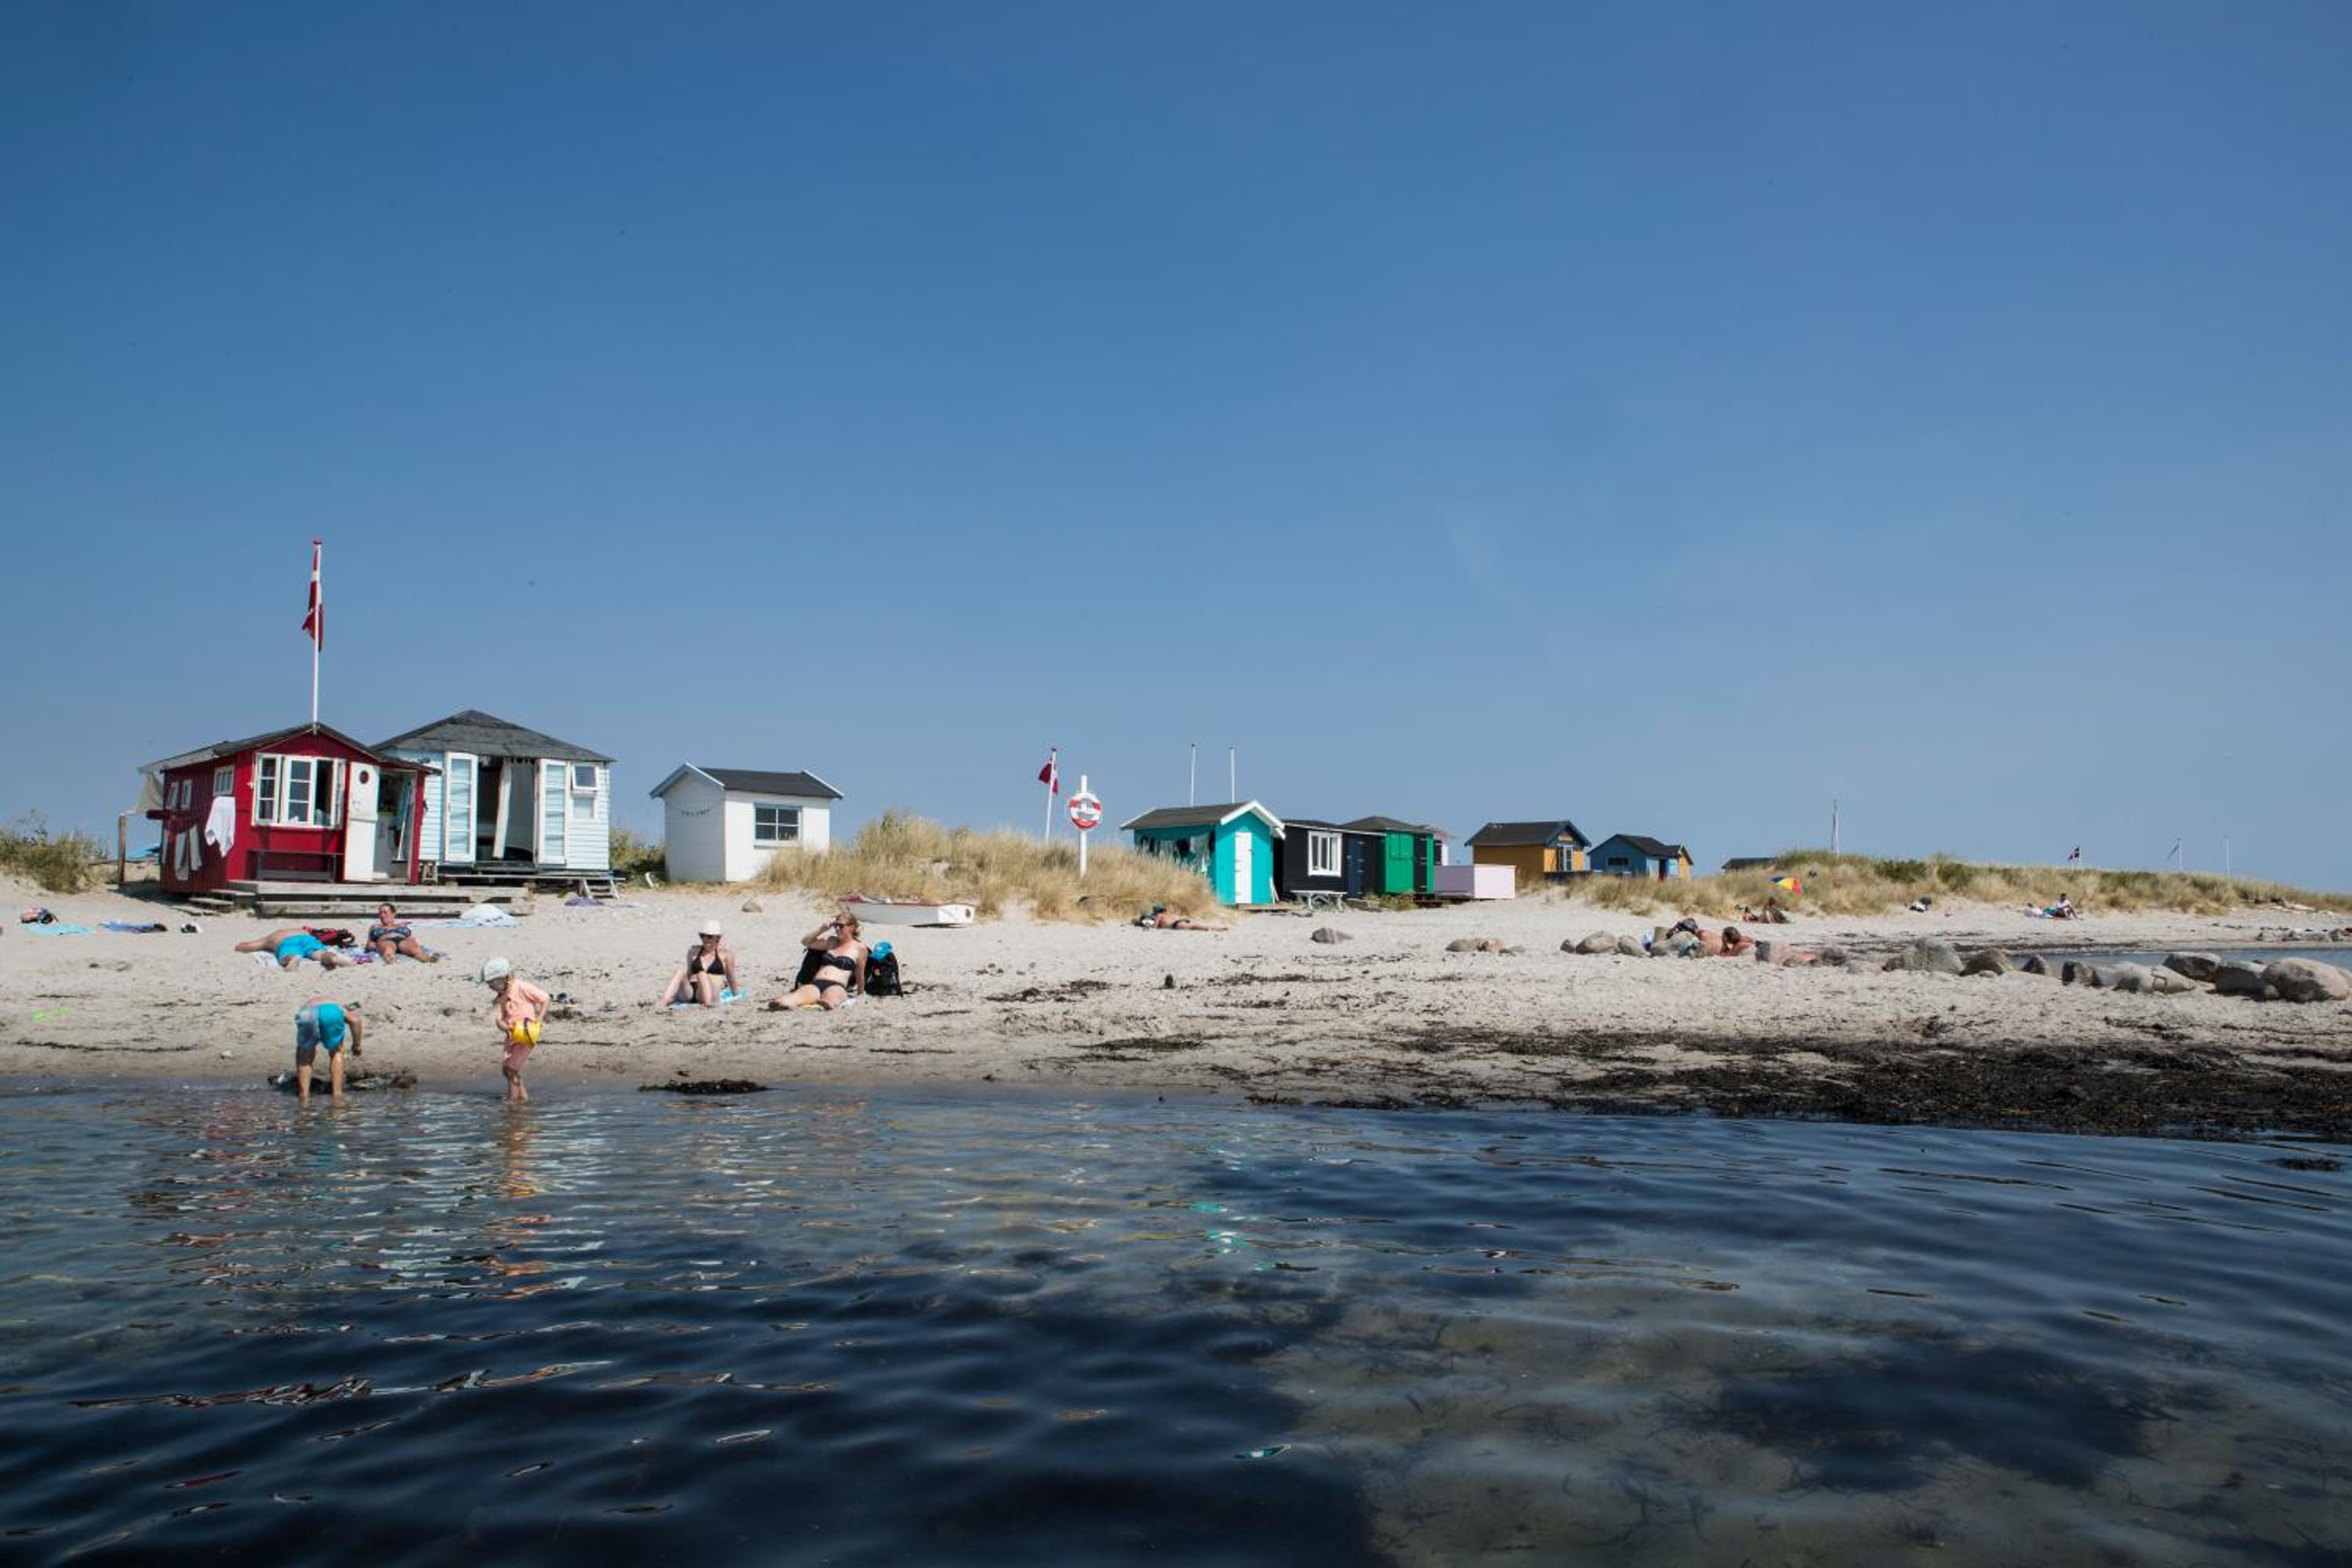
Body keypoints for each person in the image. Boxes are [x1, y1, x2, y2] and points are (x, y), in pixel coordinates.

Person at [480, 956, 550, 1102]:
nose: (490, 987)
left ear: (503, 978)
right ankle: (522, 1099)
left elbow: (545, 998)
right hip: (511, 1036)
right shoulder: (502, 996)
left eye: (492, 983)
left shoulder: (521, 987)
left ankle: (513, 1103)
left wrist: (539, 1019)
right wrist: (505, 1027)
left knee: (512, 1070)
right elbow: (499, 1019)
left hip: (527, 1034)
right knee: (507, 1070)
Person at [765, 913, 866, 1011]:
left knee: (832, 998)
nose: (837, 929)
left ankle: (825, 1004)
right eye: (835, 925)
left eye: (841, 926)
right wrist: (822, 928)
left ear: (852, 927)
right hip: (817, 983)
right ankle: (781, 1004)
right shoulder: (831, 941)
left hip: (837, 985)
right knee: (795, 997)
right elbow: (806, 942)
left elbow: (860, 974)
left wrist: (860, 994)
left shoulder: (859, 948)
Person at [292, 996, 364, 1102]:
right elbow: (355, 1020)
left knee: (304, 1054)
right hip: (330, 1013)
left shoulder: (317, 1003)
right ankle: (337, 1094)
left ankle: (304, 1096)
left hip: (307, 1013)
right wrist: (357, 1045)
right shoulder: (339, 1009)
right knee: (336, 1051)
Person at [660, 920, 739, 1007]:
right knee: (679, 972)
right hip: (692, 992)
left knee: (702, 974)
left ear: (718, 938)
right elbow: (689, 973)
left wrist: (736, 995)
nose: (705, 939)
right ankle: (663, 1002)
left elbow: (731, 977)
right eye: (702, 936)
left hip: (712, 992)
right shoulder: (693, 951)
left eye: (709, 937)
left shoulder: (725, 954)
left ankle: (708, 1005)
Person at [236, 927, 350, 970]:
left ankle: (293, 958)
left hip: (287, 942)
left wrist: (239, 946)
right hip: (308, 939)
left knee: (288, 955)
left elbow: (246, 947)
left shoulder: (270, 938)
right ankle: (334, 959)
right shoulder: (302, 930)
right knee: (319, 953)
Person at [368, 903, 440, 964]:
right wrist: (371, 946)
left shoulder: (402, 925)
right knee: (388, 948)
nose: (382, 915)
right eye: (380, 913)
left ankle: (427, 958)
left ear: (393, 914)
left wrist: (412, 940)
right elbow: (369, 944)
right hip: (385, 940)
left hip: (403, 940)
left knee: (415, 949)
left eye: (385, 913)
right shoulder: (375, 927)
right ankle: (390, 959)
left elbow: (409, 937)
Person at [1134, 903, 1227, 931]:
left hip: (1177, 924)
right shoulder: (1168, 914)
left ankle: (1212, 929)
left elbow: (1155, 927)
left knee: (1194, 927)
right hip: (1181, 920)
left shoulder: (1159, 915)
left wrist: (1146, 924)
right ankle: (1216, 928)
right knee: (1196, 925)